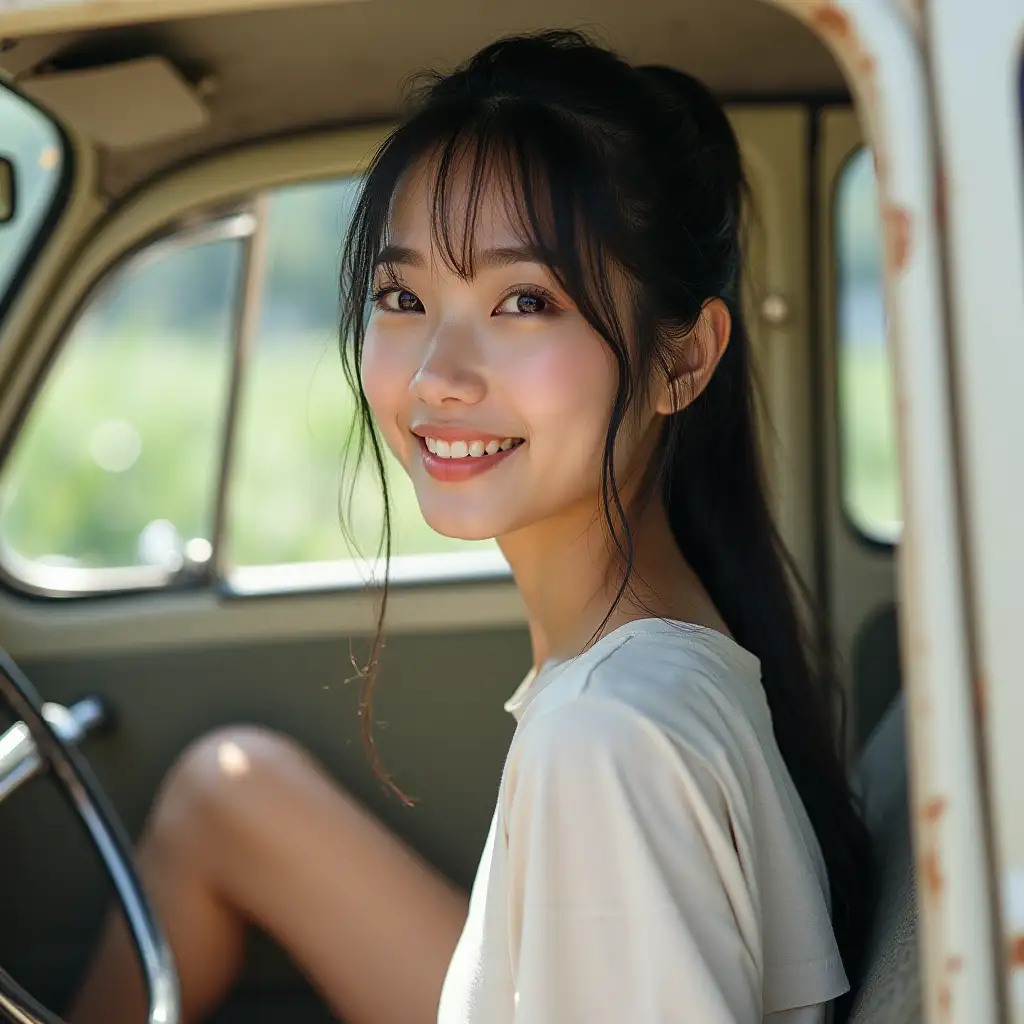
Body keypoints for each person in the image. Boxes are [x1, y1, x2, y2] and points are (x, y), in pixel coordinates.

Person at [68, 30, 876, 1024]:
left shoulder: (602, 738)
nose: (438, 374)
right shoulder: (647, 670)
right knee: (228, 790)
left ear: (683, 359)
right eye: (403, 297)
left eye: (523, 300)